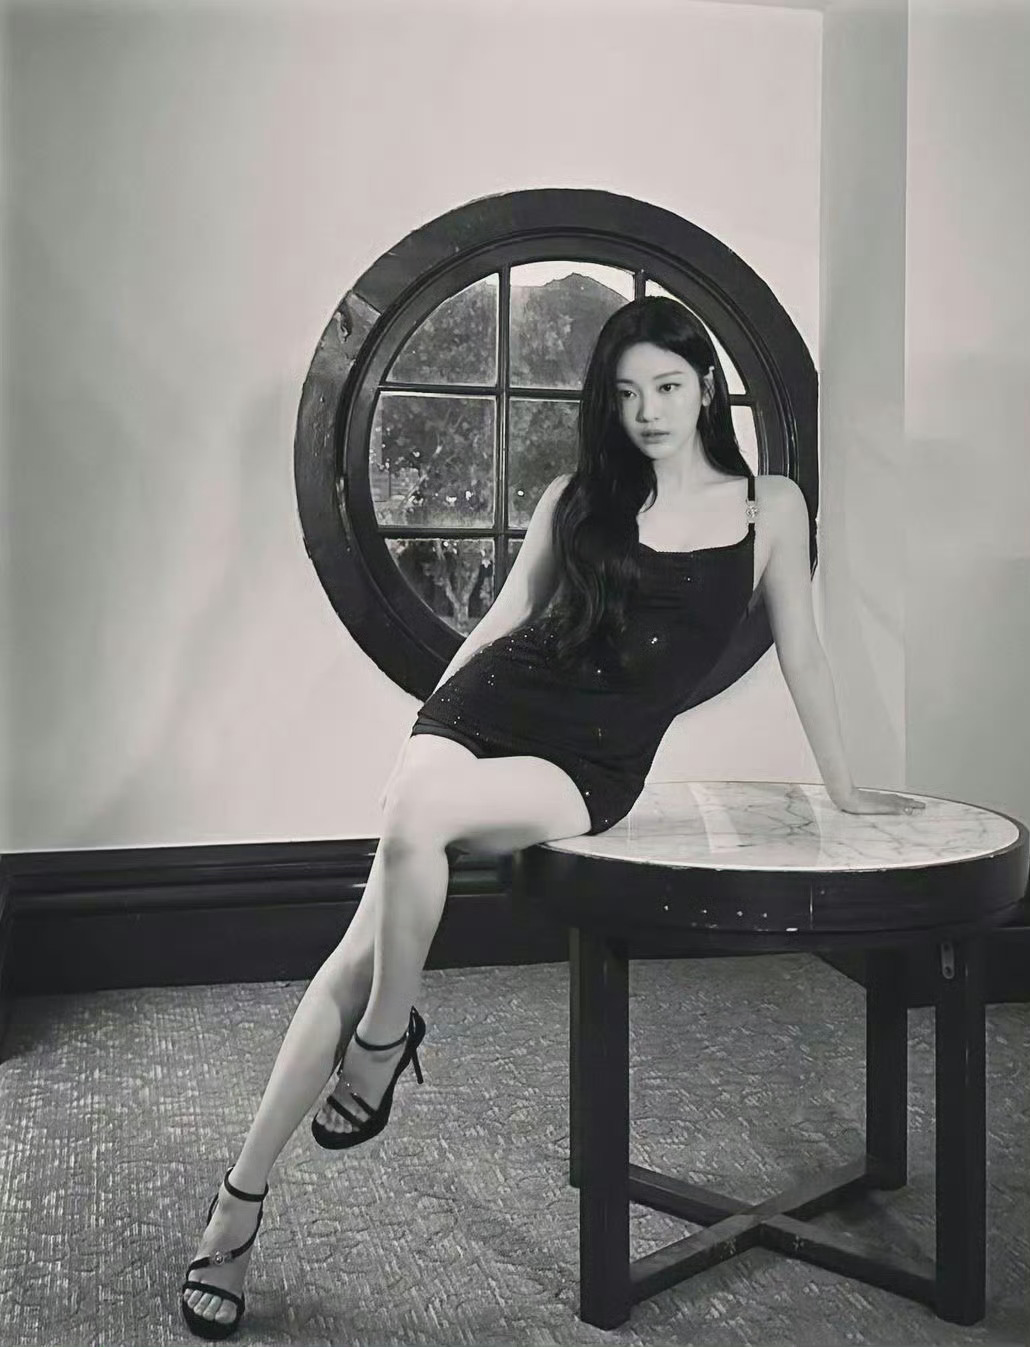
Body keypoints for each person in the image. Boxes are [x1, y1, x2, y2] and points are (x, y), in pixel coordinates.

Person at [179, 296, 924, 1338]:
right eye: (626, 394)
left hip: (589, 763)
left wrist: (843, 786)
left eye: (667, 387)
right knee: (380, 887)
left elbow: (803, 649)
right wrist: (425, 730)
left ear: (706, 390)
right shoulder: (579, 497)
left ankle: (372, 1055)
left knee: (405, 837)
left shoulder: (772, 507)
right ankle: (255, 1183)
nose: (648, 411)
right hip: (486, 708)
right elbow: (505, 618)